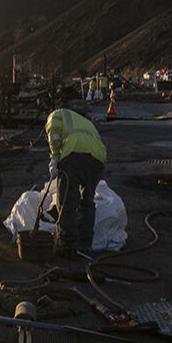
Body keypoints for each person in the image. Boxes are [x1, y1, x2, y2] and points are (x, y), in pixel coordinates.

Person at [46, 107, 106, 258]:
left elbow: (54, 136)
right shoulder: (83, 122)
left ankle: (69, 245)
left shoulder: (56, 115)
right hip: (98, 159)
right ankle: (85, 244)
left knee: (68, 201)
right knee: (87, 200)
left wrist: (54, 157)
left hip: (74, 156)